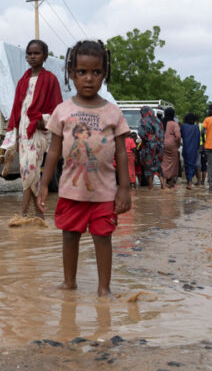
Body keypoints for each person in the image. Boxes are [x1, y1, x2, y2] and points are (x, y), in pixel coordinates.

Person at [38, 40, 131, 297]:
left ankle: (104, 288)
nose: (89, 78)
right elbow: (53, 151)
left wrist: (124, 189)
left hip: (104, 193)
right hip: (71, 191)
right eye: (82, 72)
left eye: (96, 72)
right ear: (71, 73)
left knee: (103, 239)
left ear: (104, 74)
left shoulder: (113, 112)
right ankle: (69, 283)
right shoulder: (63, 110)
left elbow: (122, 153)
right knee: (69, 237)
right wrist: (44, 184)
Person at [4, 40, 62, 218]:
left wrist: (43, 120)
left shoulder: (51, 79)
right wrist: (12, 130)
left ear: (44, 56)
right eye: (29, 53)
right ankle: (38, 213)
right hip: (23, 130)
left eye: (36, 53)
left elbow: (57, 108)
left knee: (31, 166)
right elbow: (17, 107)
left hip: (38, 130)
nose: (32, 56)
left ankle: (23, 212)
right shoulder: (23, 80)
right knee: (27, 169)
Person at [138, 107, 164, 189]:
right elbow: (161, 134)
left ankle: (150, 187)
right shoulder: (158, 120)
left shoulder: (143, 120)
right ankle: (163, 186)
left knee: (148, 168)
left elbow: (141, 133)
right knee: (159, 166)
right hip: (159, 147)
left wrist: (149, 138)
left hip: (148, 147)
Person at [161, 107, 181, 188]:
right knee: (173, 163)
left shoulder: (161, 122)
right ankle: (172, 183)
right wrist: (178, 144)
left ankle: (163, 183)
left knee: (164, 162)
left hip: (162, 144)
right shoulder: (174, 123)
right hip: (172, 145)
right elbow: (178, 136)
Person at [180, 112, 200, 190]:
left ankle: (189, 181)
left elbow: (181, 135)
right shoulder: (196, 127)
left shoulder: (183, 126)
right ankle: (190, 181)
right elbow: (198, 139)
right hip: (194, 149)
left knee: (186, 165)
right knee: (192, 165)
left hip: (186, 148)